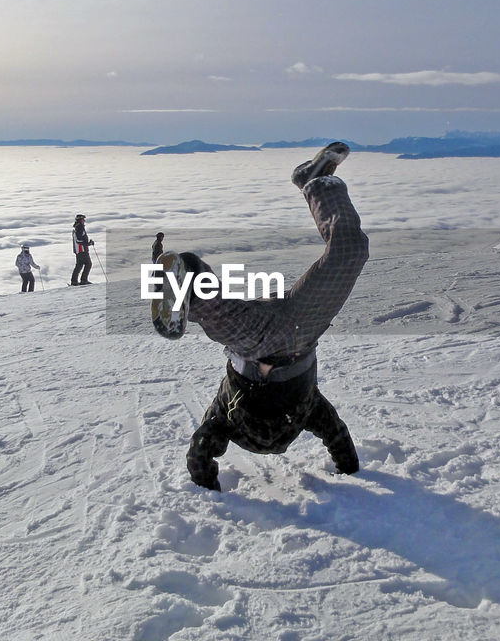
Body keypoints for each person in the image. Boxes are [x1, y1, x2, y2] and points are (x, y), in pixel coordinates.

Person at [153, 142, 367, 492]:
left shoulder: (225, 415)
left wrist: (209, 493)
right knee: (351, 250)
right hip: (299, 329)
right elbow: (339, 439)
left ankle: (188, 281)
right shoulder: (312, 409)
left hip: (260, 343)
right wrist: (353, 474)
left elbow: (200, 453)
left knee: (219, 312)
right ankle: (317, 183)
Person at [70, 214, 94, 285]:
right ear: (80, 220)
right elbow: (79, 240)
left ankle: (74, 281)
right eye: (83, 219)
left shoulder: (77, 227)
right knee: (88, 264)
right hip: (82, 250)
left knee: (79, 265)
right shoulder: (79, 227)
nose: (84, 221)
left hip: (79, 250)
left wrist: (88, 243)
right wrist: (88, 243)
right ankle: (83, 280)